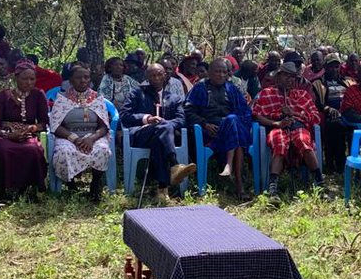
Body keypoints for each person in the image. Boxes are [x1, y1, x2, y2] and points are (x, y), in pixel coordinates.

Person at [122, 63, 197, 202]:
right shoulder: (137, 93)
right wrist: (147, 119)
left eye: (159, 74)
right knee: (163, 129)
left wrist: (166, 124)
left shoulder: (174, 98)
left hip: (162, 138)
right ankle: (174, 164)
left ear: (165, 76)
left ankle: (162, 190)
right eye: (152, 75)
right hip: (141, 134)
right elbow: (125, 116)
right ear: (147, 77)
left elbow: (181, 120)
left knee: (160, 138)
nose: (156, 78)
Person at [252, 62, 323, 195]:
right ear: (278, 77)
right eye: (286, 76)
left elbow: (315, 117)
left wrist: (295, 113)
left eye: (293, 77)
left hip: (298, 126)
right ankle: (273, 186)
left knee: (303, 140)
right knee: (279, 142)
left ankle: (319, 182)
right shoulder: (267, 93)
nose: (290, 80)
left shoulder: (302, 95)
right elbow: (256, 116)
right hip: (277, 126)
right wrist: (277, 123)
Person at [187, 58, 253, 198]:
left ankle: (230, 168)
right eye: (217, 71)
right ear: (209, 72)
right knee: (236, 133)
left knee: (233, 120)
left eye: (224, 72)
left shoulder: (231, 88)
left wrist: (238, 123)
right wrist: (204, 123)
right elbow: (188, 111)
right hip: (210, 132)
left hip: (231, 128)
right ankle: (239, 185)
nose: (221, 75)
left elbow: (245, 112)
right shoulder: (200, 88)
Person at [0, 61, 48, 201]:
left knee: (33, 150)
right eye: (24, 79)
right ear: (16, 78)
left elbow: (45, 122)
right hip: (3, 134)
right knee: (2, 150)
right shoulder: (3, 96)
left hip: (27, 134)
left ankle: (26, 189)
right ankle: (1, 191)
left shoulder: (38, 95)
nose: (29, 82)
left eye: (32, 79)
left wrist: (33, 128)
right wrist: (9, 135)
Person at [48, 64, 111, 201]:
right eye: (78, 78)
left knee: (103, 150)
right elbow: (56, 126)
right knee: (63, 152)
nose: (83, 80)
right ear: (70, 80)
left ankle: (95, 183)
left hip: (92, 136)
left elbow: (104, 126)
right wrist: (74, 139)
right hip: (68, 136)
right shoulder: (62, 99)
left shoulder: (97, 99)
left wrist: (91, 139)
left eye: (86, 77)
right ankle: (71, 185)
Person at [312, 54, 352, 173]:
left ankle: (349, 162)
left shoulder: (347, 81)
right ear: (325, 67)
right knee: (335, 125)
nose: (334, 69)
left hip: (347, 112)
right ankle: (337, 163)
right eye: (330, 67)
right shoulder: (318, 83)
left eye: (336, 66)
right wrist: (328, 109)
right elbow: (316, 103)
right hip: (329, 114)